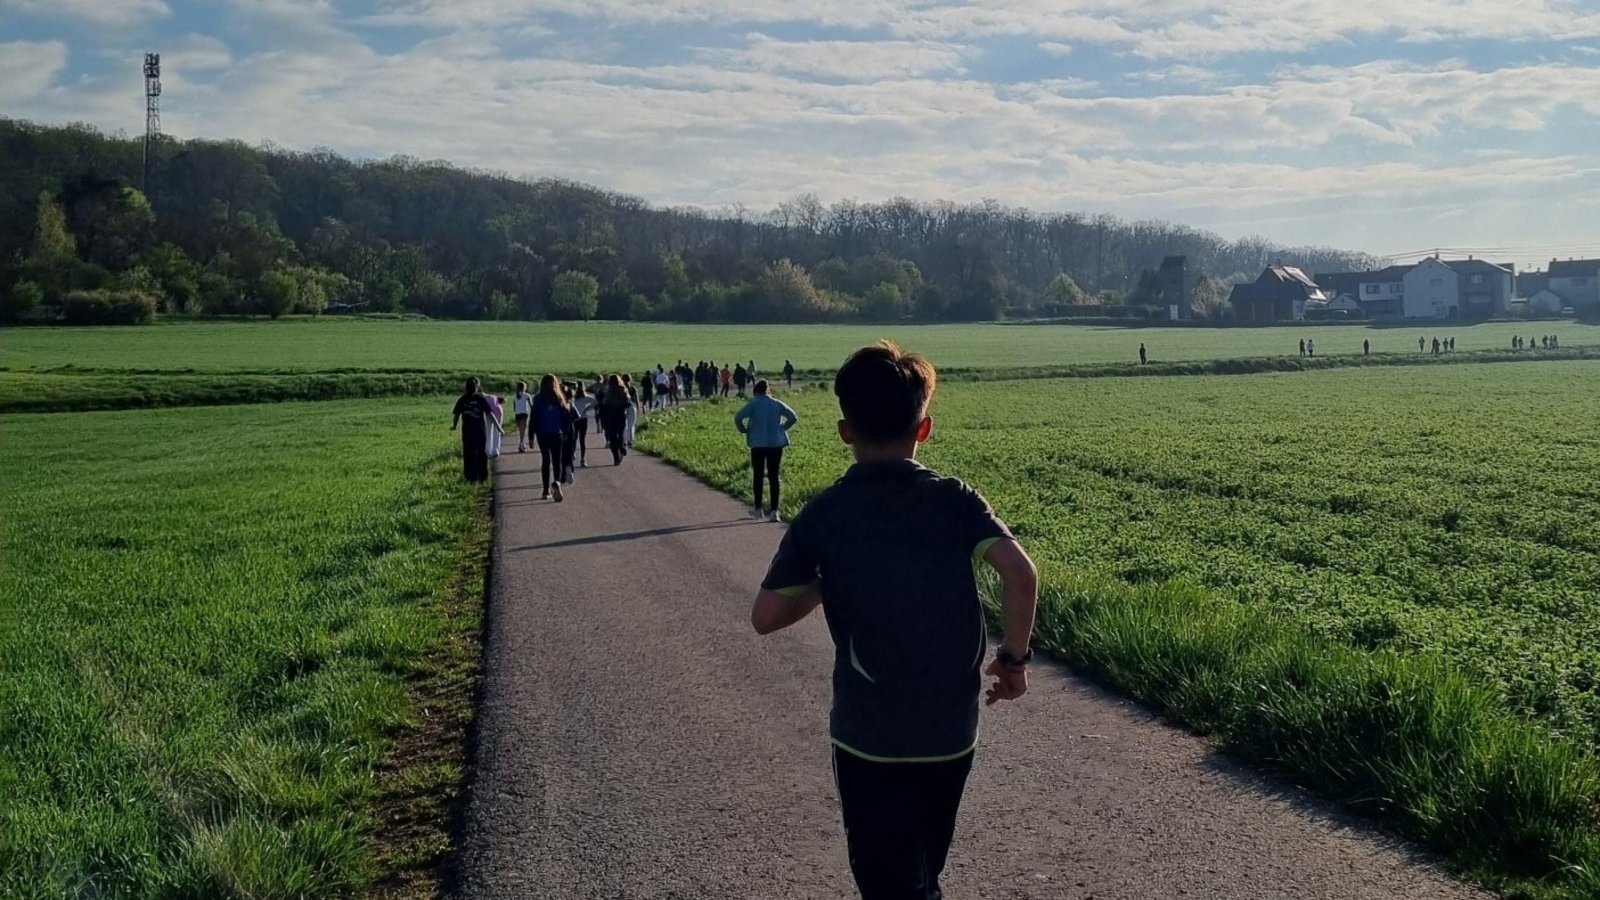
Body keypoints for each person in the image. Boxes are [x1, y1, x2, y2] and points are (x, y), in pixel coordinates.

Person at [749, 341, 1039, 900]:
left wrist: (823, 585)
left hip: (869, 735)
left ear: (844, 431)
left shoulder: (826, 513)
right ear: (923, 429)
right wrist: (1014, 662)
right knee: (924, 872)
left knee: (890, 885)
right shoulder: (955, 501)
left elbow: (765, 616)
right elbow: (1020, 574)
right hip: (950, 730)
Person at [734, 379, 798, 522]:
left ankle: (758, 509)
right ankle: (774, 511)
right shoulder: (776, 403)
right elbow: (793, 417)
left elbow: (738, 417)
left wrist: (744, 429)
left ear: (756, 391)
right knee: (774, 476)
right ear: (767, 390)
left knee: (758, 475)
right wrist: (782, 428)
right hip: (776, 443)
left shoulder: (754, 404)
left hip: (757, 443)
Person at [531, 374, 569, 502]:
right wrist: (566, 431)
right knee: (557, 461)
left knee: (545, 460)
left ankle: (545, 491)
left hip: (542, 433)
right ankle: (557, 482)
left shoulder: (537, 399)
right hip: (556, 433)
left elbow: (533, 418)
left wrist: (531, 436)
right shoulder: (559, 398)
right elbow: (566, 416)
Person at [450, 378, 491, 483]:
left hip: (467, 431)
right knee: (481, 453)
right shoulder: (480, 399)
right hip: (480, 431)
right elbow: (489, 413)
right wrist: (498, 427)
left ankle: (470, 477)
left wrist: (454, 426)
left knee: (468, 454)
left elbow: (456, 415)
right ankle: (482, 476)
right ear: (476, 387)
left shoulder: (462, 399)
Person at [599, 374, 631, 465]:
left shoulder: (607, 391)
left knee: (613, 437)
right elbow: (628, 402)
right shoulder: (623, 390)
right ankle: (621, 447)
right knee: (620, 433)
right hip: (620, 414)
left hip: (610, 416)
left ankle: (616, 457)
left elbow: (604, 403)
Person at [571, 382, 593, 468]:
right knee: (581, 439)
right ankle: (582, 459)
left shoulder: (574, 397)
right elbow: (596, 401)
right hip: (582, 419)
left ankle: (574, 454)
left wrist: (588, 408)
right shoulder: (585, 397)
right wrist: (588, 408)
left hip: (576, 420)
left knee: (575, 438)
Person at [513, 381, 533, 452]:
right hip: (524, 413)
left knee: (520, 430)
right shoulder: (527, 395)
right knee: (523, 430)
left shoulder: (515, 395)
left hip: (517, 414)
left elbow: (514, 406)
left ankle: (521, 444)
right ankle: (521, 444)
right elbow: (531, 405)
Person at [484, 392, 505, 459]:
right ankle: (495, 451)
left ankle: (487, 451)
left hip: (489, 414)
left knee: (488, 432)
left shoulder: (485, 398)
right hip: (497, 413)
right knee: (496, 432)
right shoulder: (496, 402)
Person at [623, 374, 639, 446]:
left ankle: (624, 440)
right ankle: (631, 440)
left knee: (624, 424)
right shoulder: (633, 388)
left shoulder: (622, 388)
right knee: (631, 424)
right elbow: (636, 400)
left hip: (623, 406)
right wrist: (638, 408)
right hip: (632, 406)